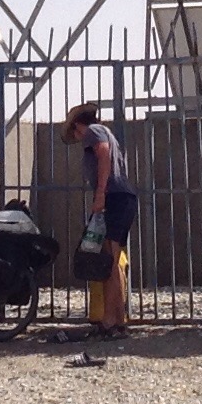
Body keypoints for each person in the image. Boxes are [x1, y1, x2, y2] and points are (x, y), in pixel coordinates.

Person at [63, 102, 136, 338]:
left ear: (77, 126)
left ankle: (109, 321)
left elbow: (103, 155)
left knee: (109, 263)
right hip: (122, 198)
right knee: (112, 260)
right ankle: (118, 321)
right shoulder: (105, 131)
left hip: (114, 198)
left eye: (74, 133)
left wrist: (100, 193)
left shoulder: (93, 132)